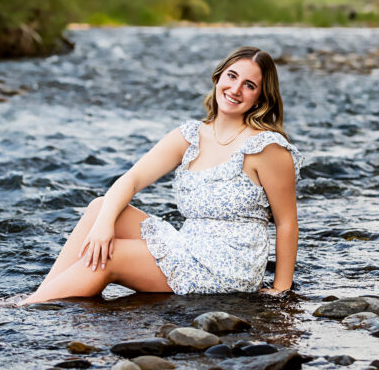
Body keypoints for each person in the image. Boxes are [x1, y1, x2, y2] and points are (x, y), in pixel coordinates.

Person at [19, 46, 302, 305]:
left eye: (249, 85)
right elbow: (130, 181)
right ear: (218, 78)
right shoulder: (191, 135)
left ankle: (27, 309)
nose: (235, 89)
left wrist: (281, 288)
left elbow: (286, 221)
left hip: (228, 267)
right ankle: (42, 295)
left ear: (260, 99)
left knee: (111, 255)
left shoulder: (266, 148)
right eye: (232, 76)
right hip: (189, 244)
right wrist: (104, 225)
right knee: (101, 209)